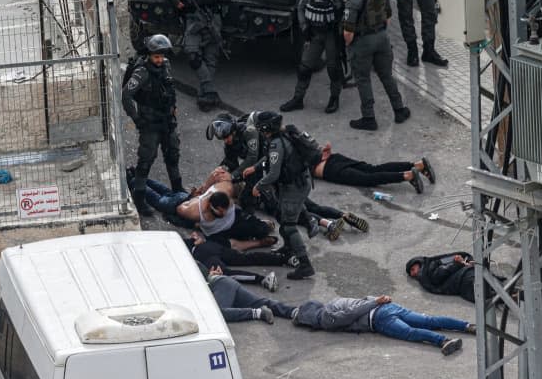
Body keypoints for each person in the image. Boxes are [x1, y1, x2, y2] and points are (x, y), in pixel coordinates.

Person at [341, 0, 410, 131]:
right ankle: (399, 110)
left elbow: (348, 32)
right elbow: (388, 18)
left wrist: (350, 46)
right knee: (387, 76)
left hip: (363, 42)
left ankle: (369, 118)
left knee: (363, 80)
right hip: (382, 38)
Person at [167, 0, 234, 111]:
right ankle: (209, 90)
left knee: (211, 58)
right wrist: (176, 0)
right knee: (192, 55)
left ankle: (205, 95)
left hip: (211, 18)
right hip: (192, 20)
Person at [280, 0, 350, 114]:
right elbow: (301, 7)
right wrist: (304, 27)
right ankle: (298, 99)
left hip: (332, 35)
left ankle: (334, 98)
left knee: (333, 69)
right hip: (315, 35)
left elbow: (351, 11)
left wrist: (345, 30)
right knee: (304, 68)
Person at [291, 295, 475, 355]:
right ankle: (466, 326)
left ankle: (443, 341)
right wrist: (379, 301)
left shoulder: (327, 316)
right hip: (387, 307)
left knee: (409, 333)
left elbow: (351, 314)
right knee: (429, 320)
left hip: (378, 317)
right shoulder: (335, 301)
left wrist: (376, 302)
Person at [122, 34, 183, 216]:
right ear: (149, 55)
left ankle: (178, 190)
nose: (159, 60)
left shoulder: (166, 65)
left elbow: (169, 89)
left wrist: (172, 108)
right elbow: (126, 95)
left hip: (167, 121)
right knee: (146, 160)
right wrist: (136, 118)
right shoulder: (142, 72)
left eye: (161, 56)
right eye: (156, 57)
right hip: (149, 124)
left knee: (172, 155)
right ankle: (140, 198)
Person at [128, 172, 274, 248]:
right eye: (220, 212)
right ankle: (134, 179)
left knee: (166, 191)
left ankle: (137, 175)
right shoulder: (196, 212)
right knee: (160, 198)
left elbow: (219, 173)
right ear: (213, 207)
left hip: (188, 198)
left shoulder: (225, 192)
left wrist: (205, 186)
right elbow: (180, 208)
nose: (222, 214)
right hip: (180, 203)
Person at [253, 111, 315, 279]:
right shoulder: (286, 134)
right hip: (300, 180)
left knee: (288, 225)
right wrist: (256, 167)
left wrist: (258, 186)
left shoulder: (276, 144)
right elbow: (269, 160)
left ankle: (305, 264)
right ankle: (288, 247)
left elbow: (273, 174)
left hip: (294, 186)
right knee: (282, 215)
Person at [313, 141, 434, 193]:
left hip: (329, 170)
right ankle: (417, 165)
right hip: (333, 158)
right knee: (373, 169)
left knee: (368, 178)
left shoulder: (293, 152)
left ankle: (408, 175)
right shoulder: (295, 134)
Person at [202, 264, 297, 324]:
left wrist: (211, 276)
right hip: (224, 283)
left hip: (220, 284)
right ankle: (294, 311)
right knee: (260, 302)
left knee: (220, 313)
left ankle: (258, 313)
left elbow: (205, 275)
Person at [406, 252, 477, 302]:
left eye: (413, 269)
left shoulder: (430, 265)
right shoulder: (426, 275)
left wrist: (463, 262)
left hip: (465, 277)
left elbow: (451, 260)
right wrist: (459, 263)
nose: (413, 273)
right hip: (463, 280)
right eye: (412, 274)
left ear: (418, 262)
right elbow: (438, 276)